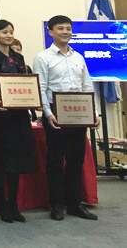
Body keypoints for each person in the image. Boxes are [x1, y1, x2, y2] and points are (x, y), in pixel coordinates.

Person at [34, 15, 100, 221]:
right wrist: (48, 114)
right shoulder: (43, 57)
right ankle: (56, 204)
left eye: (68, 28)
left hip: (79, 112)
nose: (65, 32)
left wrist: (94, 113)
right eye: (60, 28)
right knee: (55, 161)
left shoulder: (78, 57)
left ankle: (74, 203)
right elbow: (41, 88)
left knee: (76, 160)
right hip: (55, 113)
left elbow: (87, 86)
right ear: (51, 32)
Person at [0, 19, 36, 223]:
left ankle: (13, 204)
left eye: (11, 32)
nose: (9, 35)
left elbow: (25, 83)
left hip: (18, 116)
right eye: (4, 32)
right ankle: (2, 203)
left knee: (15, 162)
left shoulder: (19, 58)